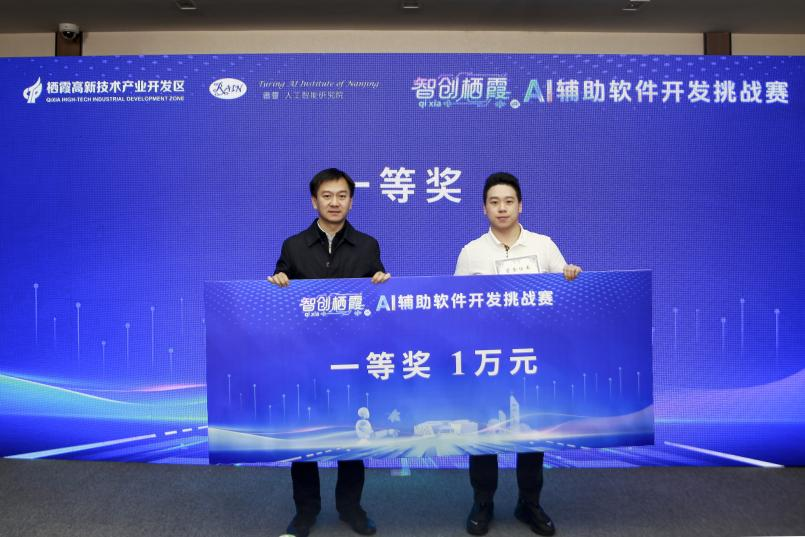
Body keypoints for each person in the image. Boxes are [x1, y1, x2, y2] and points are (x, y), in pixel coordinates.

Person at [454, 172, 581, 536]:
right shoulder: (471, 252)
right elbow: (457, 306)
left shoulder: (543, 245)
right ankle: (483, 502)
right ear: (484, 208)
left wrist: (570, 275)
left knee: (532, 430)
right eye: (494, 202)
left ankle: (529, 503)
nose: (502, 208)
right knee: (485, 430)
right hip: (488, 357)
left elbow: (562, 296)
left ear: (520, 205)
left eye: (509, 201)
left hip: (532, 356)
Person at [267, 168, 390, 537]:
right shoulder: (293, 246)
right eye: (327, 195)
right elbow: (279, 297)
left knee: (354, 434)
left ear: (351, 201)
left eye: (342, 196)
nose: (335, 202)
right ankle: (305, 512)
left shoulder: (367, 246)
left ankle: (351, 508)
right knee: (305, 434)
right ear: (314, 201)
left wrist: (383, 282)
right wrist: (278, 281)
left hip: (352, 358)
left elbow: (378, 301)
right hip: (306, 360)